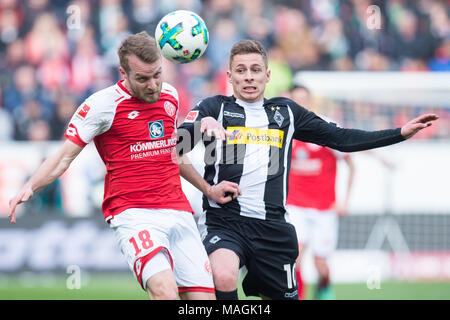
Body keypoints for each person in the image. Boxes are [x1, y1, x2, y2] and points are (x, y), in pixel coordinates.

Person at [175, 39, 438, 300]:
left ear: (267, 75)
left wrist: (400, 133)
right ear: (230, 77)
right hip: (224, 222)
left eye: (255, 70)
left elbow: (341, 138)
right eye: (241, 71)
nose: (249, 77)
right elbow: (174, 150)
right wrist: (205, 170)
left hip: (273, 228)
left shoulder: (286, 112)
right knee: (223, 274)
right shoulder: (213, 108)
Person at [8, 31, 239, 300]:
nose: (152, 85)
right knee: (165, 292)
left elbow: (172, 154)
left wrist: (207, 189)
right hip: (134, 213)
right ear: (123, 72)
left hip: (178, 211)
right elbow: (63, 156)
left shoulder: (171, 96)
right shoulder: (101, 106)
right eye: (142, 78)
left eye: (156, 75)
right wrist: (31, 186)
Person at [285, 85, 355, 300]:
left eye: (304, 99)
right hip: (295, 205)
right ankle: (298, 296)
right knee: (294, 257)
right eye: (296, 100)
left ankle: (324, 290)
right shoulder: (284, 128)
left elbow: (351, 164)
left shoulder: (325, 127)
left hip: (325, 207)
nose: (301, 104)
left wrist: (345, 201)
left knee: (320, 264)